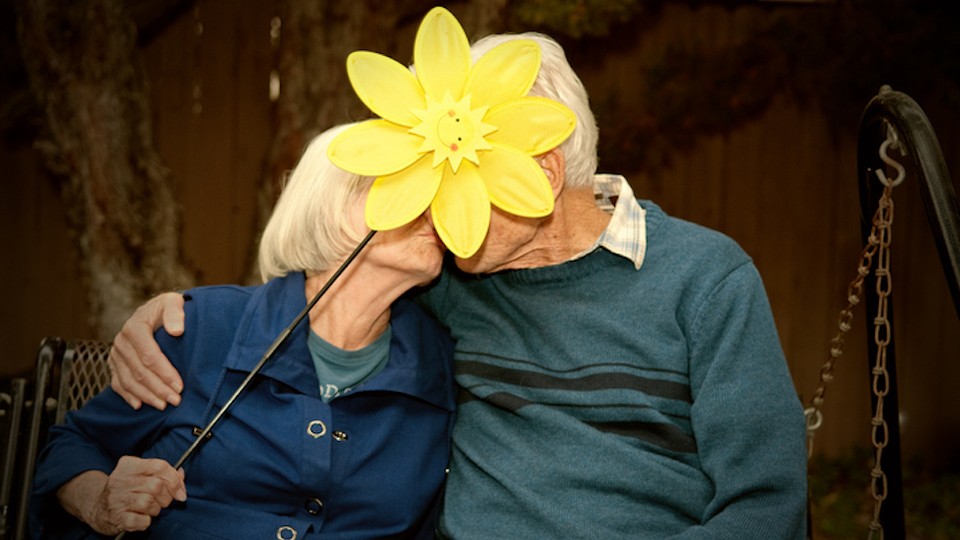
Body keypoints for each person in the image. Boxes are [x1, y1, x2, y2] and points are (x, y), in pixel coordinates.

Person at [107, 30, 808, 540]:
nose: (431, 207)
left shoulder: (705, 278)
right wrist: (173, 313)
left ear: (540, 174)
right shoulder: (446, 279)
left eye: (453, 178)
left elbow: (766, 507)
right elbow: (324, 293)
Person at [30, 124, 456, 539]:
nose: (431, 203)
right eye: (402, 183)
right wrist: (101, 499)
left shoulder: (446, 362)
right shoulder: (202, 326)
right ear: (331, 208)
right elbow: (73, 445)